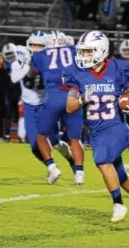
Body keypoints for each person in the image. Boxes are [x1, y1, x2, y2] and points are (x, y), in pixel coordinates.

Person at [62, 30, 129, 224]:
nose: (83, 55)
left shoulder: (118, 69)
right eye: (83, 51)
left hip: (117, 127)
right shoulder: (78, 73)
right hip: (95, 132)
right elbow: (69, 107)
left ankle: (118, 204)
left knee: (102, 160)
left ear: (101, 50)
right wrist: (82, 99)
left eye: (88, 51)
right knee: (119, 175)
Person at [3, 31, 79, 184]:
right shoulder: (22, 54)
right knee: (34, 145)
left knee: (55, 142)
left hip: (47, 104)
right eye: (33, 45)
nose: (36, 48)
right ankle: (52, 167)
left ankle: (72, 162)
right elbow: (14, 77)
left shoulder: (50, 59)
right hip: (30, 106)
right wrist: (27, 64)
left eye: (40, 46)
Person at [30, 30, 84, 185]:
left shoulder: (40, 55)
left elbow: (32, 73)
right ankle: (79, 174)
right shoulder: (74, 50)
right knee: (75, 138)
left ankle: (53, 168)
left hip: (53, 98)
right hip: (73, 96)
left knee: (41, 135)